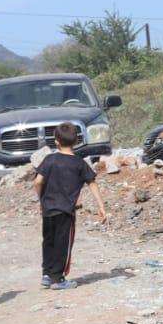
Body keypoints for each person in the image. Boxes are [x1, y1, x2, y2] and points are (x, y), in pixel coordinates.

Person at [35, 123, 108, 291]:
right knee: (63, 243)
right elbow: (92, 184)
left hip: (48, 209)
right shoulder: (79, 163)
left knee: (49, 241)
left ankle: (47, 274)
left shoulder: (49, 160)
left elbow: (38, 181)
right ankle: (58, 278)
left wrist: (41, 199)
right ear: (75, 141)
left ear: (56, 142)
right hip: (66, 211)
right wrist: (101, 206)